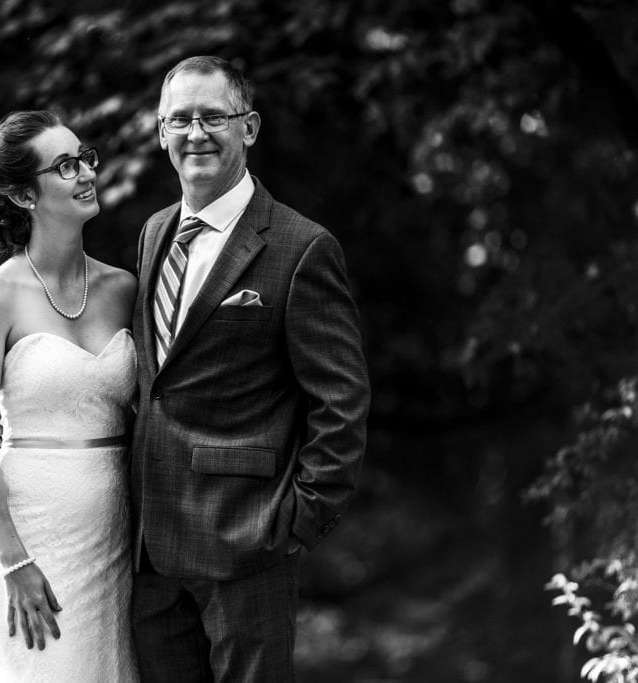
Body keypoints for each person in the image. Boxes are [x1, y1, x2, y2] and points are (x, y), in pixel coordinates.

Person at [130, 56, 371, 681]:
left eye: (214, 116)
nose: (196, 133)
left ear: (250, 127)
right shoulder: (155, 232)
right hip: (150, 551)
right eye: (179, 119)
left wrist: (298, 520)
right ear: (160, 132)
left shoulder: (301, 247)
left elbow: (340, 401)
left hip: (247, 540)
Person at [0, 110, 139, 681]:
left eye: (85, 157)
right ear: (22, 194)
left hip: (118, 532)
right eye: (64, 166)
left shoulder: (125, 287)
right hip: (33, 538)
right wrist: (14, 559)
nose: (85, 172)